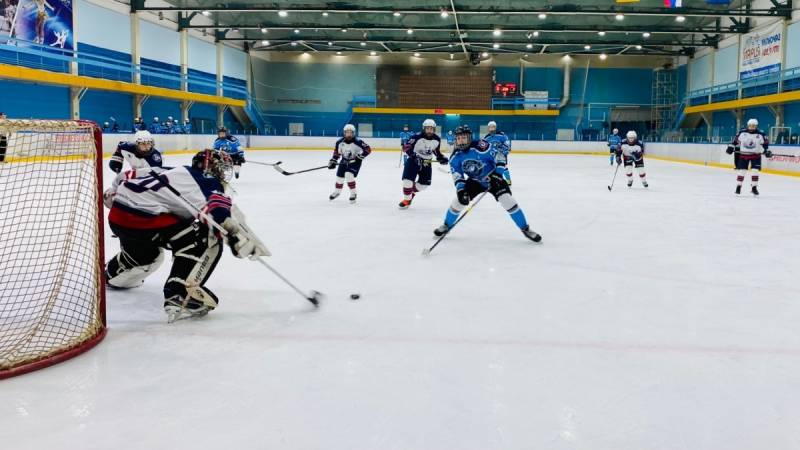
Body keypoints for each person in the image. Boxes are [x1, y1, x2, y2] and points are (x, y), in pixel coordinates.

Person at [104, 149, 268, 322]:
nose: (222, 173)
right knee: (205, 238)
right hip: (145, 221)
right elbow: (217, 211)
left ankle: (110, 275)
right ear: (208, 167)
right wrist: (233, 234)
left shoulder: (171, 170)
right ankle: (180, 294)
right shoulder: (209, 181)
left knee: (147, 257)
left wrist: (113, 192)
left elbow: (124, 176)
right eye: (219, 168)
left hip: (118, 216)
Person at [433, 125, 541, 242]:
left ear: (469, 137)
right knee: (458, 202)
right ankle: (446, 225)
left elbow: (500, 156)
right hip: (475, 181)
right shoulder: (455, 157)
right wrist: (461, 190)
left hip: (493, 178)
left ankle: (526, 229)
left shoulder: (481, 146)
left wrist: (498, 174)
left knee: (507, 200)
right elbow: (457, 175)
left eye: (463, 137)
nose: (461, 141)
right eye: (458, 138)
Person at [399, 118, 448, 209]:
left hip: (426, 163)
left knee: (423, 185)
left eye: (431, 129)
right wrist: (414, 156)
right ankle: (407, 200)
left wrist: (441, 158)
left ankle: (410, 193)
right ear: (424, 128)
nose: (429, 130)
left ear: (434, 129)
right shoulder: (416, 137)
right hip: (413, 161)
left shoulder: (437, 139)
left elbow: (436, 151)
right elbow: (406, 147)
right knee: (407, 181)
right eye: (427, 128)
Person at [726, 118, 772, 196]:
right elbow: (735, 141)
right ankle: (738, 186)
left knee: (755, 171)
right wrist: (731, 147)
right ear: (748, 125)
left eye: (753, 126)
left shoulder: (761, 134)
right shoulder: (742, 132)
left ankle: (754, 187)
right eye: (750, 126)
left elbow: (765, 144)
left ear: (756, 126)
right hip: (743, 155)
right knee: (742, 171)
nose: (751, 127)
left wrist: (767, 151)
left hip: (756, 156)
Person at [328, 124, 371, 203]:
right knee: (339, 177)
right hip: (344, 161)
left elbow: (368, 149)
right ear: (344, 133)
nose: (349, 134)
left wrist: (360, 156)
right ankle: (337, 192)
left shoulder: (358, 142)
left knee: (348, 175)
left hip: (355, 162)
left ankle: (353, 193)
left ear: (354, 133)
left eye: (351, 132)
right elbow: (337, 152)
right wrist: (333, 160)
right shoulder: (339, 142)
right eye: (347, 132)